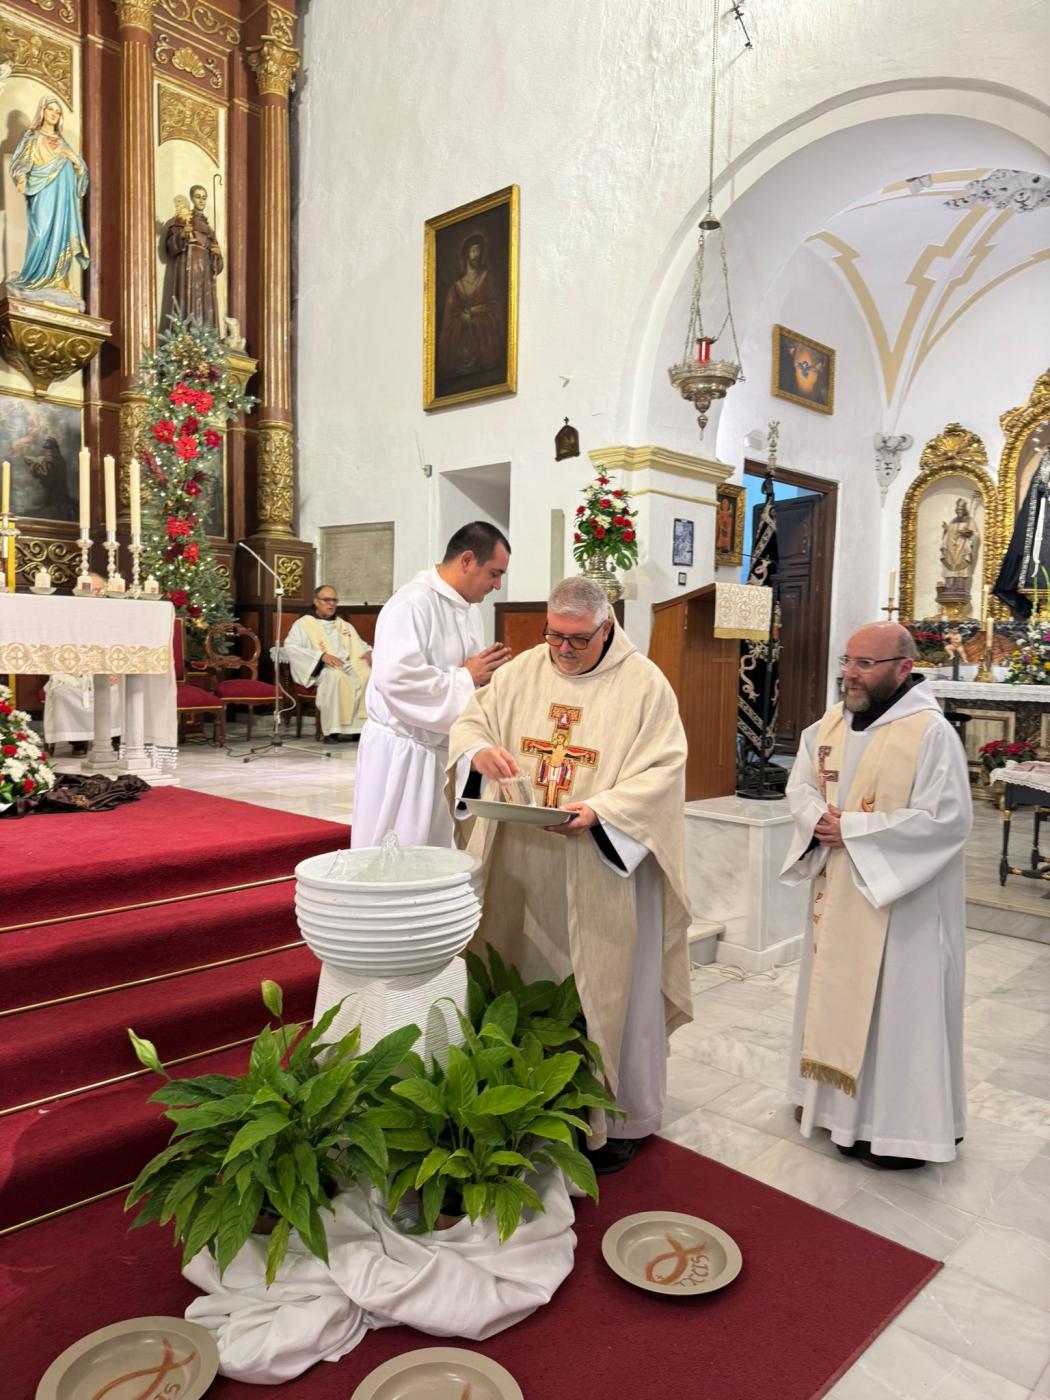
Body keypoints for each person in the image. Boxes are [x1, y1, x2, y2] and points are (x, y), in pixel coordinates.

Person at [447, 576, 693, 1174]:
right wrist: (477, 753)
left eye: (576, 641)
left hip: (600, 867)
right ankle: (516, 1107)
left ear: (606, 628)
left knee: (605, 987)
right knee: (517, 971)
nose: (562, 651)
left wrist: (603, 812)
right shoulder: (524, 670)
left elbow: (663, 771)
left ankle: (615, 1117)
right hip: (522, 867)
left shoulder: (644, 685)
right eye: (554, 636)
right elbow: (470, 723)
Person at [780, 621, 971, 1169]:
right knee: (833, 995)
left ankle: (897, 1132)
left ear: (903, 668)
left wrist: (855, 831)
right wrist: (817, 818)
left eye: (865, 664)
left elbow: (948, 821)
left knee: (897, 1013)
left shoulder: (930, 733)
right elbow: (801, 785)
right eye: (848, 661)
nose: (849, 674)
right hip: (838, 890)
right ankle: (833, 1112)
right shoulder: (833, 722)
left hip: (901, 905)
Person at [350, 522, 512, 848]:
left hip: (438, 752)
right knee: (394, 851)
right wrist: (467, 677)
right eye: (494, 574)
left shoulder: (468, 610)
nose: (496, 586)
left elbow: (471, 674)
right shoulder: (412, 604)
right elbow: (395, 679)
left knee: (435, 852)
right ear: (467, 560)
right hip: (403, 755)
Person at [6, 94, 89, 310]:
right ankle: (34, 280)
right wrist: (22, 178)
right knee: (41, 232)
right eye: (50, 109)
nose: (54, 114)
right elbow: (19, 162)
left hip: (63, 198)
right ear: (42, 111)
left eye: (57, 111)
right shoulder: (32, 137)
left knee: (61, 236)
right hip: (43, 193)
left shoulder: (63, 142)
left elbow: (81, 170)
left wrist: (75, 163)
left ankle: (57, 282)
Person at [284, 585, 372, 743]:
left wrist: (369, 653)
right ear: (316, 602)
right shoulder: (303, 624)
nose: (331, 604)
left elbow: (360, 645)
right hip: (323, 667)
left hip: (348, 664)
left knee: (367, 674)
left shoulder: (343, 625)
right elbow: (291, 647)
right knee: (334, 677)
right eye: (326, 600)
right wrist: (321, 656)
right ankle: (332, 731)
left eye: (334, 600)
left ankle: (357, 729)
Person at [43, 576, 119, 753]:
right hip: (71, 673)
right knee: (63, 693)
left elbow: (117, 647)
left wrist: (114, 671)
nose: (96, 594)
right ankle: (78, 740)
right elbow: (56, 649)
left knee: (117, 692)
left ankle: (111, 737)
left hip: (102, 670)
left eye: (100, 591)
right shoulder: (65, 615)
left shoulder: (112, 616)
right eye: (91, 589)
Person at [436, 232, 504, 384]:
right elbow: (449, 320)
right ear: (466, 253)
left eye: (479, 250)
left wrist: (475, 313)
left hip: (484, 348)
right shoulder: (455, 288)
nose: (476, 254)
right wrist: (462, 319)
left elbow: (496, 308)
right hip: (461, 352)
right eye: (473, 250)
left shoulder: (487, 279)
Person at [163, 185, 223, 328]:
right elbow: (170, 246)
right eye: (198, 197)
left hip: (205, 273)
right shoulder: (182, 220)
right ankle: (186, 333)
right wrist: (183, 234)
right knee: (188, 299)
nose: (201, 201)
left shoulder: (209, 229)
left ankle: (205, 334)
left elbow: (217, 267)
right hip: (189, 266)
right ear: (191, 198)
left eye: (204, 198)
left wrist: (217, 255)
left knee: (205, 301)